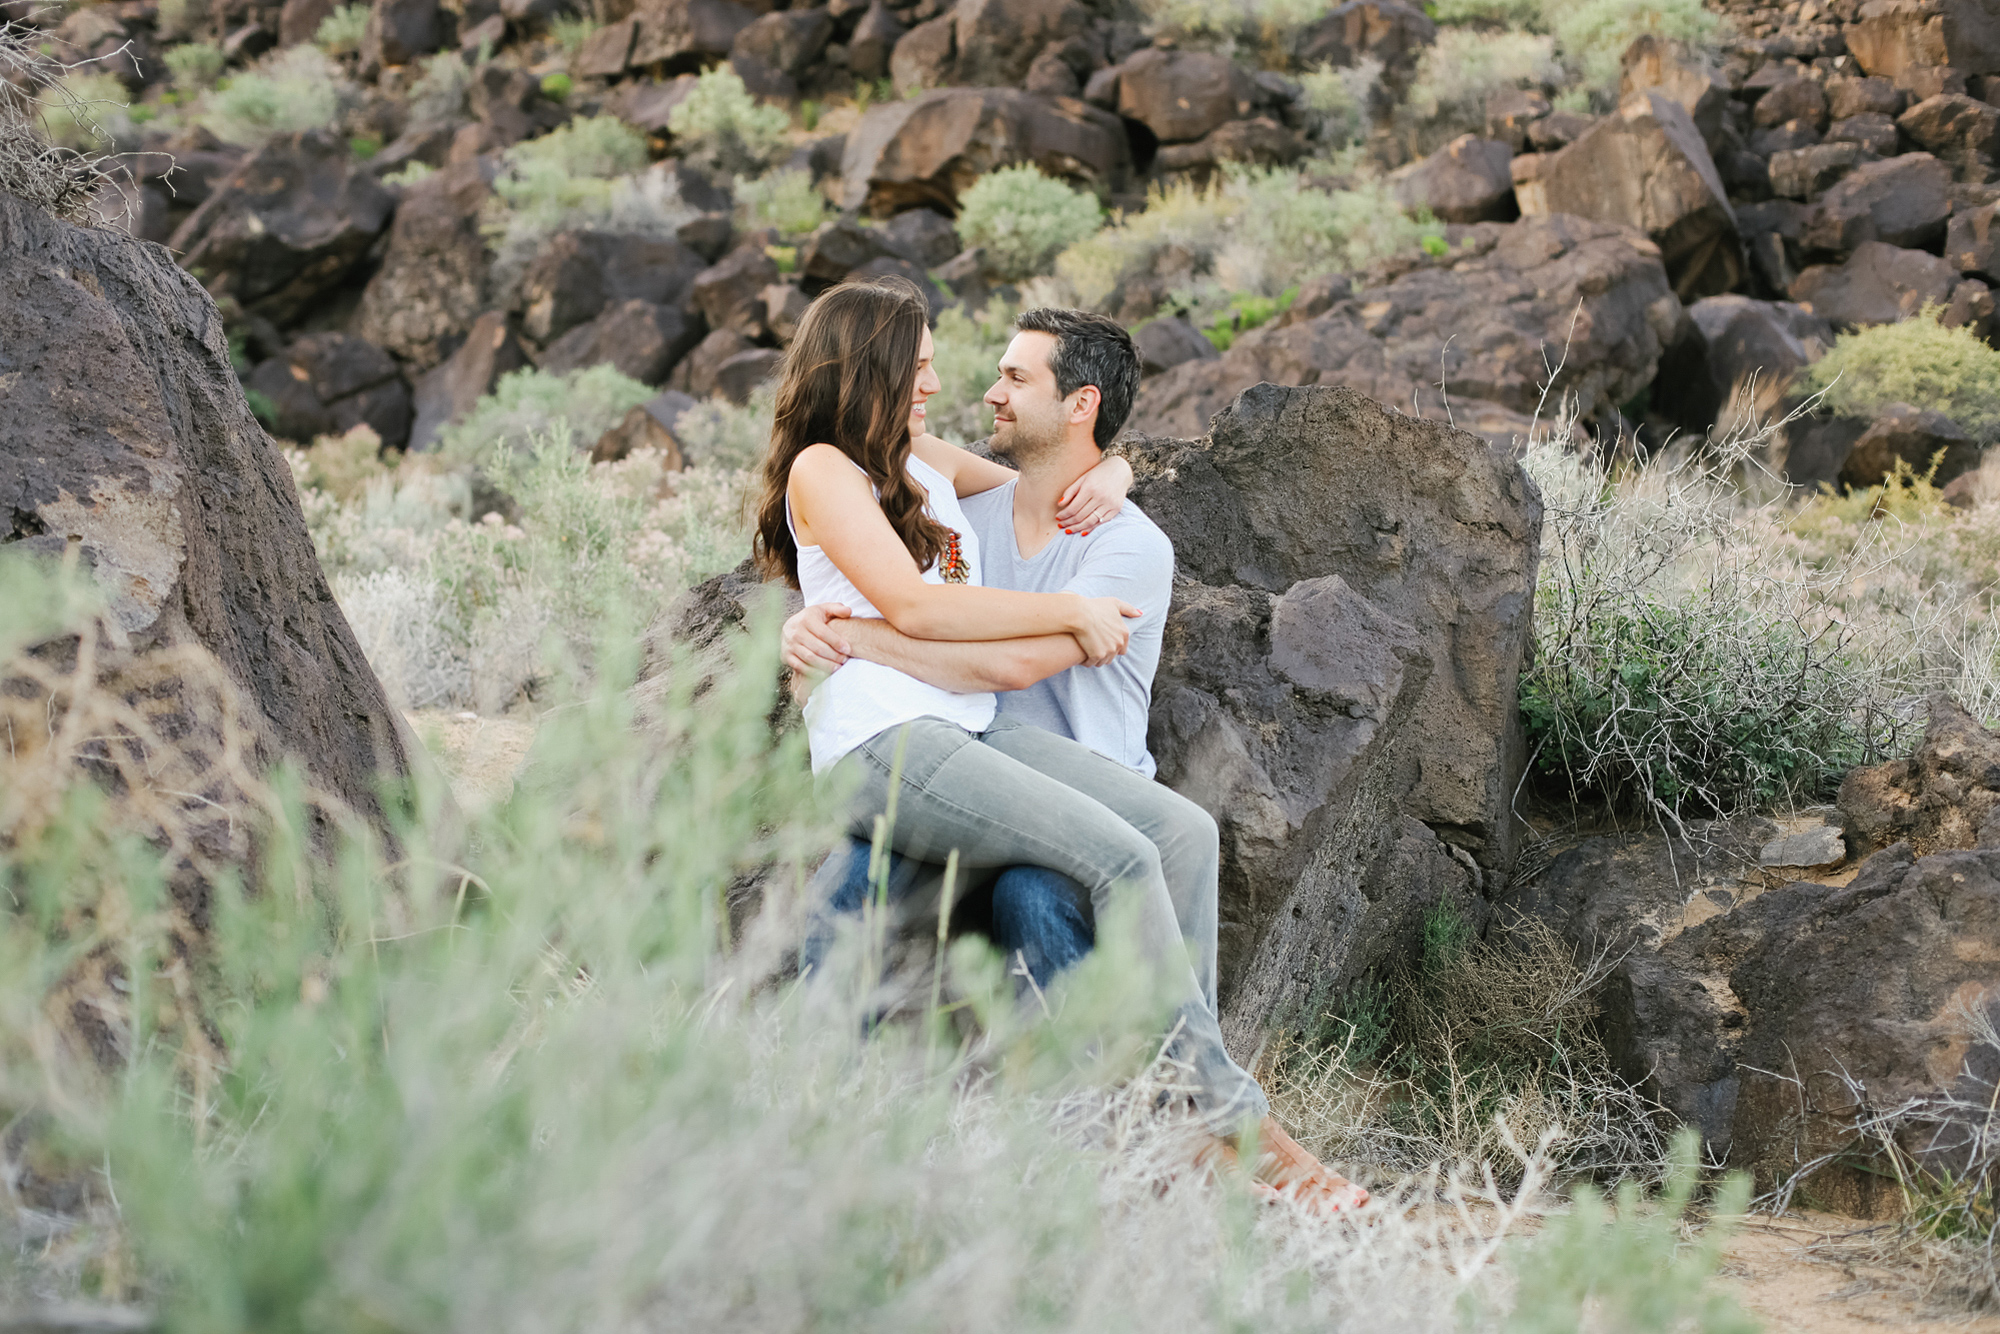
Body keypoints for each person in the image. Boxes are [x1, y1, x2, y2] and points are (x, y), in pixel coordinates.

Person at [768, 287, 1366, 1212]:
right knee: (1115, 858)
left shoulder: (914, 463)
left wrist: (1119, 472)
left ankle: (1181, 1113)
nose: (942, 380)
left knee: (1173, 835)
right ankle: (1227, 1124)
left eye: (993, 371)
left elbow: (1034, 483)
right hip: (887, 739)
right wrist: (1069, 610)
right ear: (874, 365)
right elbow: (920, 607)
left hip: (959, 725)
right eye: (921, 361)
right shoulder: (825, 469)